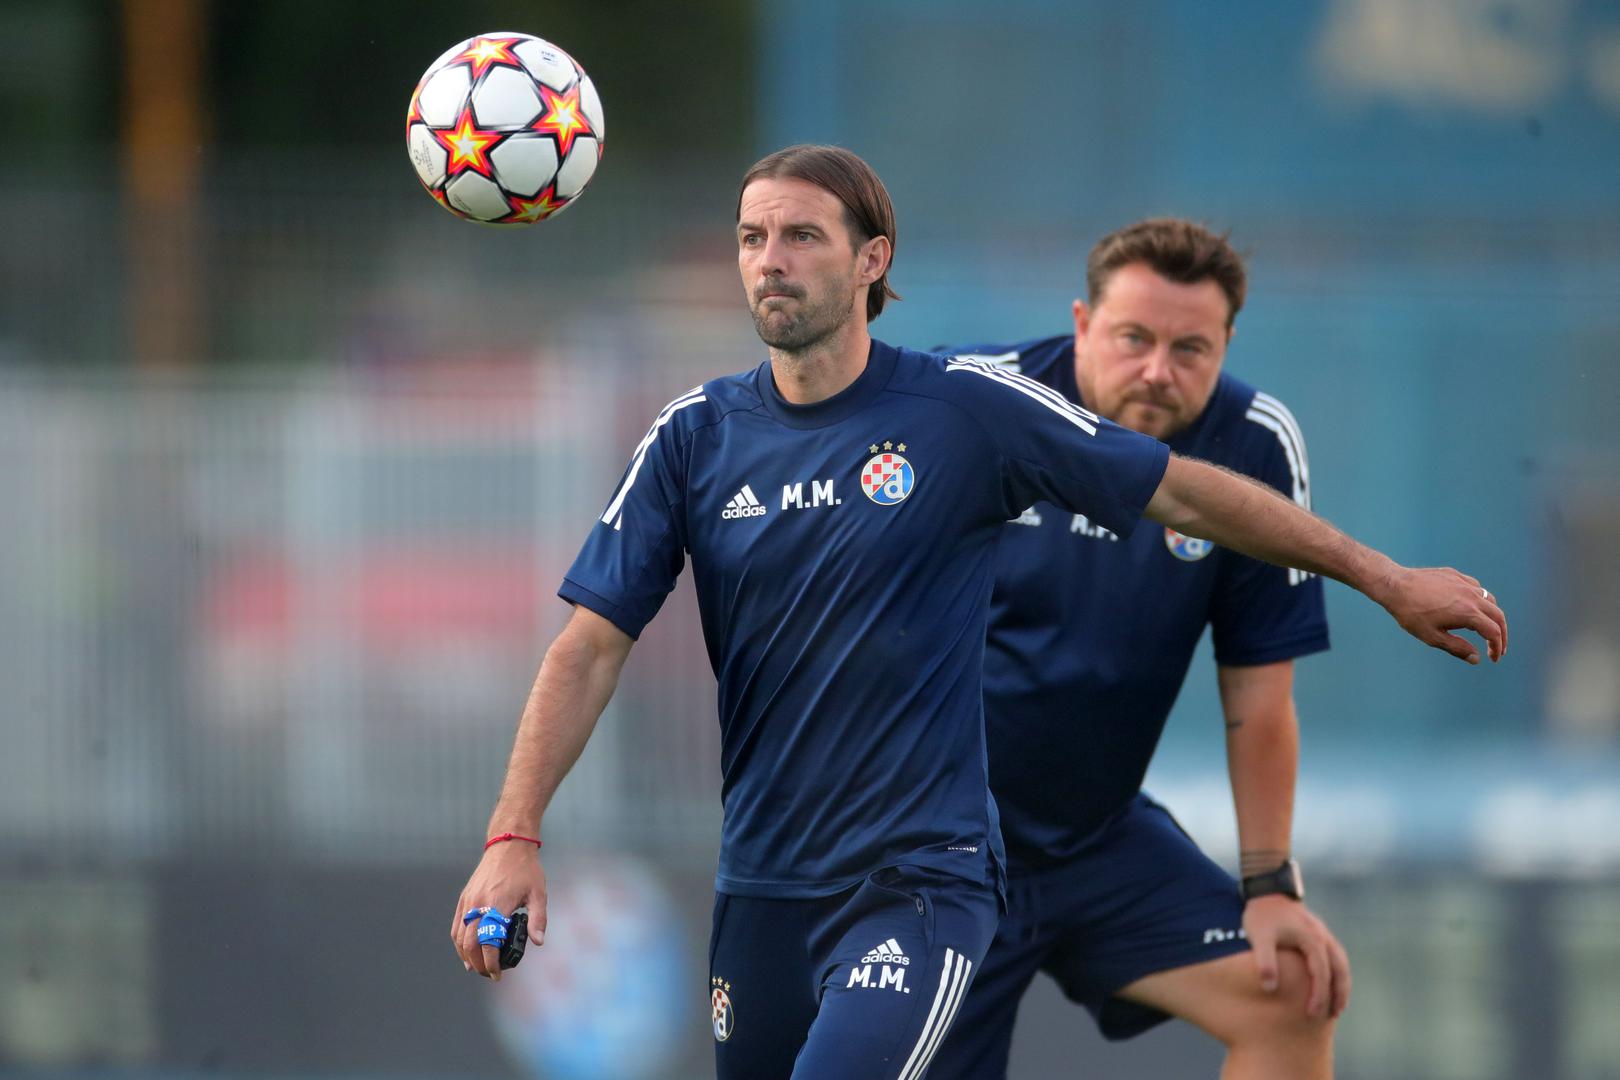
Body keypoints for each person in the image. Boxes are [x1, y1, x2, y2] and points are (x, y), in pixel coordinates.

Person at [450, 148, 1505, 1080]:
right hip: (768, 881)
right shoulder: (693, 436)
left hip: (930, 876)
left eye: (802, 235)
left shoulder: (966, 413)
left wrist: (1385, 578)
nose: (771, 259)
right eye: (752, 237)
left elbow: (1186, 499)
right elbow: (589, 647)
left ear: (873, 260)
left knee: (1290, 1000)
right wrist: (513, 833)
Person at [925, 218, 1360, 1080]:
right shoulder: (967, 401)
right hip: (934, 851)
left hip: (1095, 838)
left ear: (1228, 343)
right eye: (1134, 338)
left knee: (1291, 994)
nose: (1159, 370)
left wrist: (1270, 884)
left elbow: (1260, 699)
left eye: (1191, 348)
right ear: (1083, 324)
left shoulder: (1255, 445)